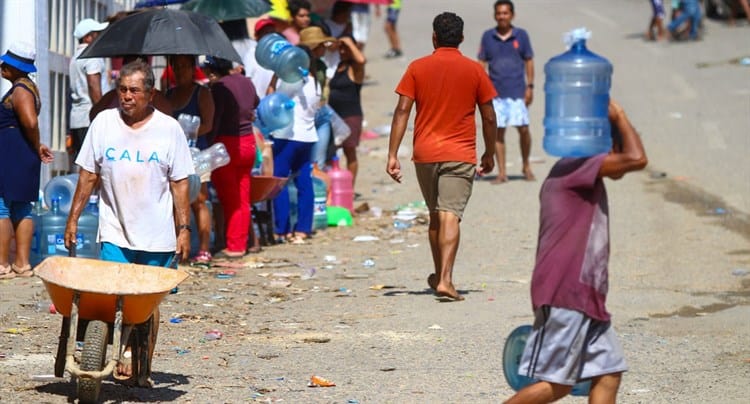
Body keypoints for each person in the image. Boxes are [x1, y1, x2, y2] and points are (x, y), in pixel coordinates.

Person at [504, 100, 647, 404]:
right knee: (556, 384)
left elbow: (626, 163)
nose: (615, 155)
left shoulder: (580, 169)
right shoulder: (577, 164)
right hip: (565, 293)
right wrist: (619, 115)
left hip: (585, 296)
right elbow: (636, 159)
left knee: (608, 373)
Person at [63, 60, 194, 381]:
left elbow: (180, 183)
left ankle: (140, 364)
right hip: (115, 230)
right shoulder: (104, 123)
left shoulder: (168, 129)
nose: (127, 96)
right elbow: (88, 174)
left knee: (146, 306)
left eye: (134, 90)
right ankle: (117, 353)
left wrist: (183, 229)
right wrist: (73, 219)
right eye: (122, 90)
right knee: (113, 298)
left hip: (158, 235)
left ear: (150, 94)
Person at [386, 12, 496, 301]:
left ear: (434, 37)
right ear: (461, 38)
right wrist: (490, 152)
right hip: (459, 153)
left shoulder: (417, 67)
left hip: (425, 153)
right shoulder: (474, 70)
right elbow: (489, 117)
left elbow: (401, 111)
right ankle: (446, 279)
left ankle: (438, 276)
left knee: (436, 215)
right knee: (450, 215)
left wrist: (392, 154)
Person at [0, 43, 55, 279]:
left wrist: (36, 144)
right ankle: (22, 264)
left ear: (16, 67)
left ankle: (2, 264)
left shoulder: (20, 90)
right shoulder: (28, 87)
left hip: (12, 154)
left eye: (6, 63)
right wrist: (37, 146)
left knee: (2, 207)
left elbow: (30, 123)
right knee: (23, 208)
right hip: (23, 153)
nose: (2, 66)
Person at [201, 56, 261, 257]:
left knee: (230, 199)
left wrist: (208, 145)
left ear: (212, 70)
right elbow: (256, 103)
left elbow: (215, 119)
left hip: (227, 145)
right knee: (243, 197)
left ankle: (235, 247)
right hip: (248, 142)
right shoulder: (246, 81)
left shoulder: (219, 88)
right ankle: (243, 242)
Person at [478, 0, 536, 183]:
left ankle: (526, 165)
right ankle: (502, 172)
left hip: (518, 91)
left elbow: (529, 60)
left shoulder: (521, 35)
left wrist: (530, 86)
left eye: (505, 13)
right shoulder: (488, 37)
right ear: (494, 15)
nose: (502, 16)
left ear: (512, 15)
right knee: (498, 133)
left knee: (524, 129)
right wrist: (481, 88)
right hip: (496, 94)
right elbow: (481, 63)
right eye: (499, 13)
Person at [165, 55, 215, 264]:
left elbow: (208, 124)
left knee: (200, 200)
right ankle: (178, 247)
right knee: (176, 202)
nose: (180, 71)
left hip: (198, 155)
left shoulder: (201, 93)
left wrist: (187, 134)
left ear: (192, 68)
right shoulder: (168, 94)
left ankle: (203, 248)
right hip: (175, 156)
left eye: (184, 66)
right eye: (176, 67)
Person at [270, 45, 321, 244]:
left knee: (280, 182)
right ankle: (303, 229)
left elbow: (271, 100)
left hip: (286, 137)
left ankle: (282, 230)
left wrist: (275, 76)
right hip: (307, 138)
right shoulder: (314, 82)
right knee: (304, 183)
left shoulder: (288, 81)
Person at [69, 18, 109, 166]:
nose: (100, 37)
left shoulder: (75, 58)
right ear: (88, 37)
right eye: (97, 33)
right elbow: (94, 86)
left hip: (77, 118)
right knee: (94, 166)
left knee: (83, 166)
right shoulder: (92, 56)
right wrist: (103, 115)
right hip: (91, 118)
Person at [328, 35, 366, 189]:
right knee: (330, 153)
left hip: (351, 116)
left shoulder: (355, 68)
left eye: (346, 48)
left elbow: (362, 60)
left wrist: (349, 42)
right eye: (340, 48)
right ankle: (334, 188)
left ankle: (349, 190)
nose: (342, 51)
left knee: (349, 152)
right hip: (333, 117)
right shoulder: (335, 67)